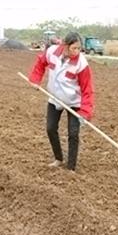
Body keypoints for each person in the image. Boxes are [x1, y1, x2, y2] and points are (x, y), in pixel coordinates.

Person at [28, 32, 94, 172]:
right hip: (54, 98)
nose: (77, 52)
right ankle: (58, 158)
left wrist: (85, 111)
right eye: (74, 48)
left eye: (79, 48)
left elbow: (87, 89)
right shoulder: (52, 52)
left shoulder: (81, 64)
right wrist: (35, 79)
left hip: (74, 102)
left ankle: (71, 167)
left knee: (73, 133)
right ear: (65, 45)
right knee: (50, 129)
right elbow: (40, 64)